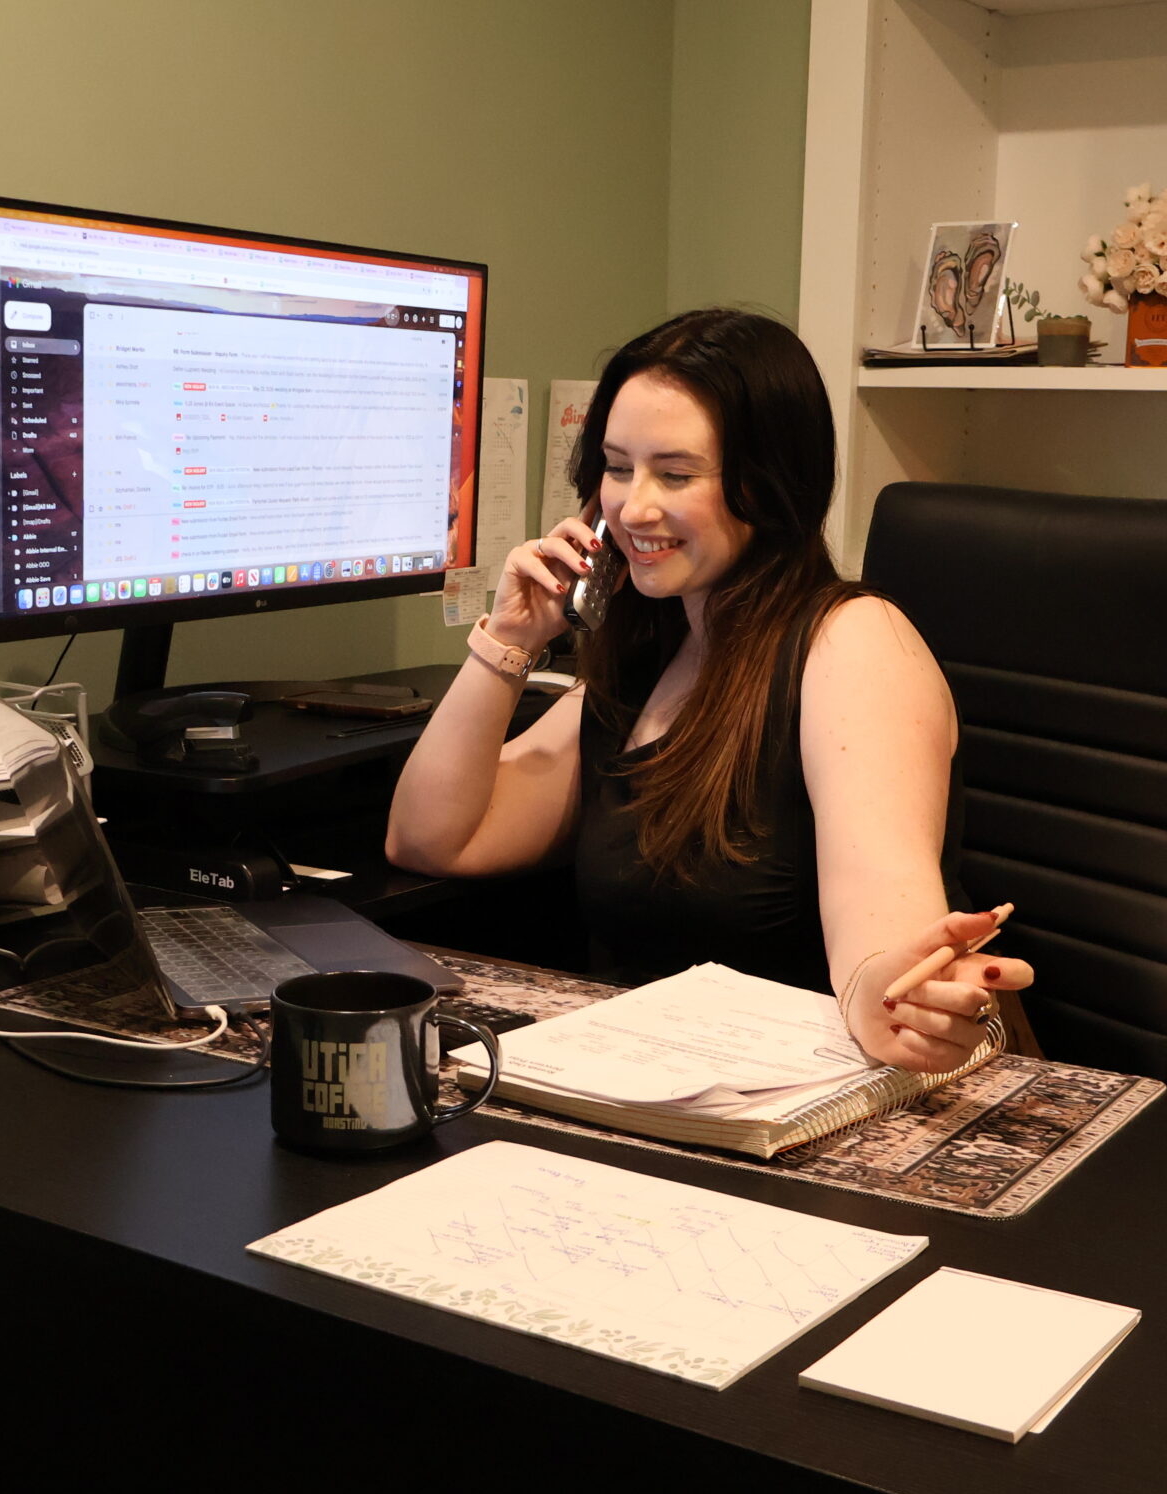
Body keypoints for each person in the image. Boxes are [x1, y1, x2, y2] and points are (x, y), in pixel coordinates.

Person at [385, 309, 1031, 1074]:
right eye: (617, 468)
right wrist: (510, 643)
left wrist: (895, 997)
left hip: (799, 1097)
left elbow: (881, 926)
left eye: (677, 474)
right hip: (656, 1085)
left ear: (769, 483)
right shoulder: (655, 646)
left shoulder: (853, 643)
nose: (633, 506)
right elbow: (432, 837)